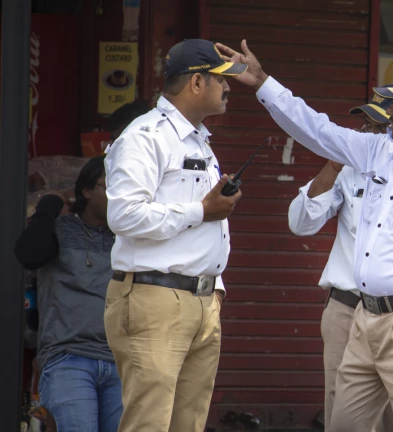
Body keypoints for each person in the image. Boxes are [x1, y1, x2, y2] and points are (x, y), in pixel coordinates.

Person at [218, 40, 393, 431]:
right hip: (364, 317)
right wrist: (263, 83)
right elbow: (316, 128)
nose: (389, 112)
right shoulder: (378, 152)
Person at [103, 39, 246, 432]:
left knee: (189, 424)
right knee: (149, 424)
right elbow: (125, 215)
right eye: (221, 80)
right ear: (197, 83)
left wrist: (214, 289)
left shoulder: (198, 139)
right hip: (155, 299)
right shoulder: (145, 136)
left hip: (200, 299)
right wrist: (202, 210)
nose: (228, 87)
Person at [288, 94, 393, 431]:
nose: (365, 131)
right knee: (342, 413)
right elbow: (301, 223)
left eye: (377, 126)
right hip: (346, 310)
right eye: (365, 123)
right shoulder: (348, 169)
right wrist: (333, 165)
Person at [15, 156, 122, 432]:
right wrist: (50, 203)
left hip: (121, 360)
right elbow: (30, 254)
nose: (121, 194)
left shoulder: (129, 237)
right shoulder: (60, 229)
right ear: (87, 191)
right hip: (68, 358)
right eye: (111, 186)